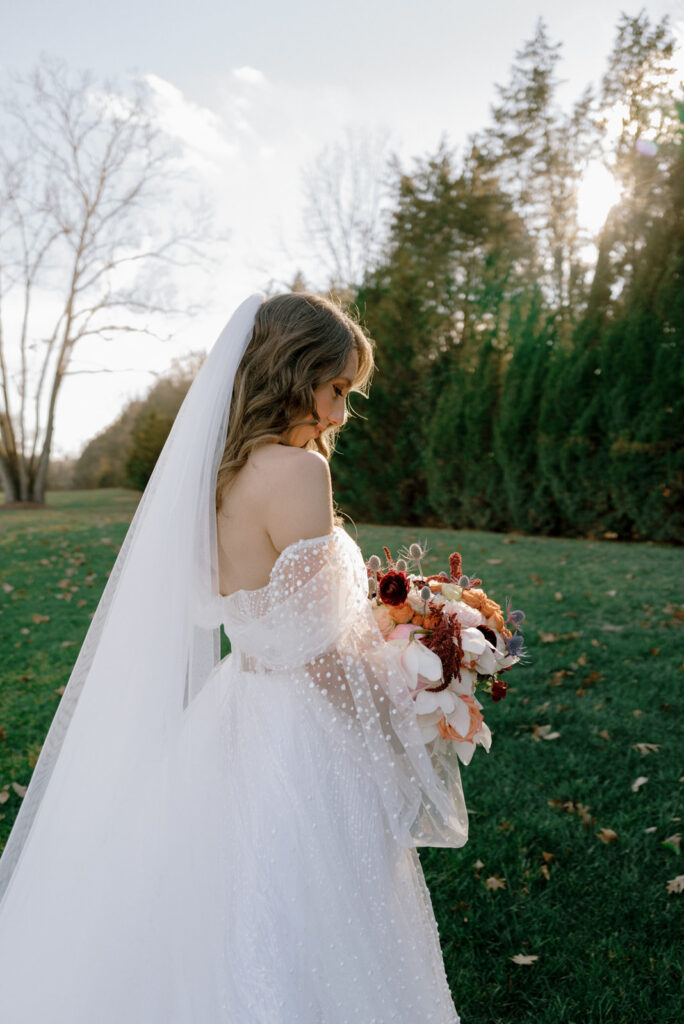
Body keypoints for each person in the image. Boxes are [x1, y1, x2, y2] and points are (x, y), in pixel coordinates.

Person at [0, 291, 468, 1023]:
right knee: (315, 900)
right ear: (292, 373)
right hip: (302, 722)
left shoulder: (210, 480)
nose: (342, 414)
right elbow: (318, 653)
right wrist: (407, 709)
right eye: (336, 390)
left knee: (224, 892)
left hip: (236, 706)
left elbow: (283, 621)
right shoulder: (298, 473)